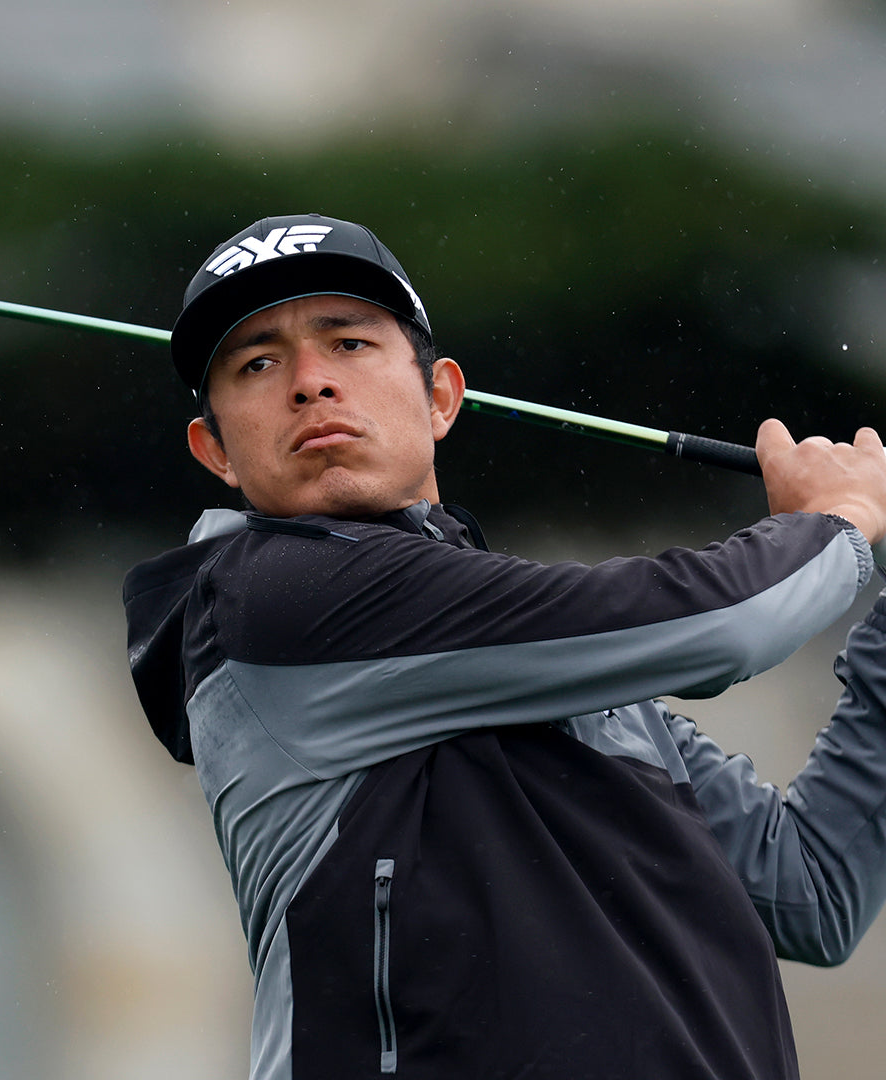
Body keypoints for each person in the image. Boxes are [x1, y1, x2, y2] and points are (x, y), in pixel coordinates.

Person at [123, 213, 886, 1080]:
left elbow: (813, 889)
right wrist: (841, 516)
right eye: (257, 363)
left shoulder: (544, 657)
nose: (309, 383)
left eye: (349, 343)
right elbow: (732, 621)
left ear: (442, 397)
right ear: (214, 452)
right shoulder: (271, 598)